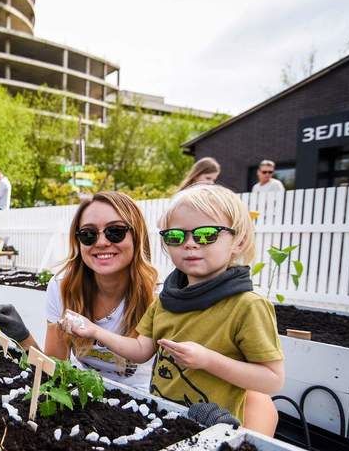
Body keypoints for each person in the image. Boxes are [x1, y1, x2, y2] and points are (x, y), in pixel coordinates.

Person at [58, 185, 284, 435]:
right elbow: (141, 351)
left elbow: (272, 379)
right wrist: (93, 331)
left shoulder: (247, 306)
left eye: (206, 234)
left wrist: (207, 360)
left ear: (238, 242)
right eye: (176, 236)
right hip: (166, 421)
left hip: (217, 429)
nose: (190, 244)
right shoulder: (166, 300)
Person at [0, 191, 157, 390]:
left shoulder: (157, 296)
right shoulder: (63, 288)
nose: (102, 242)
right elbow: (54, 368)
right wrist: (23, 338)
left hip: (143, 403)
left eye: (115, 231)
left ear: (137, 236)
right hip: (82, 394)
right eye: (88, 234)